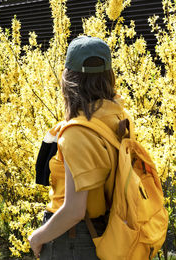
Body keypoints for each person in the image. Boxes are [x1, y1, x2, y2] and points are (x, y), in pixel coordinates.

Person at [28, 36, 134, 259]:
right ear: (108, 76)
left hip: (74, 240)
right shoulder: (119, 117)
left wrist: (38, 238)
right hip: (107, 230)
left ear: (69, 79)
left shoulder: (77, 133)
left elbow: (74, 211)